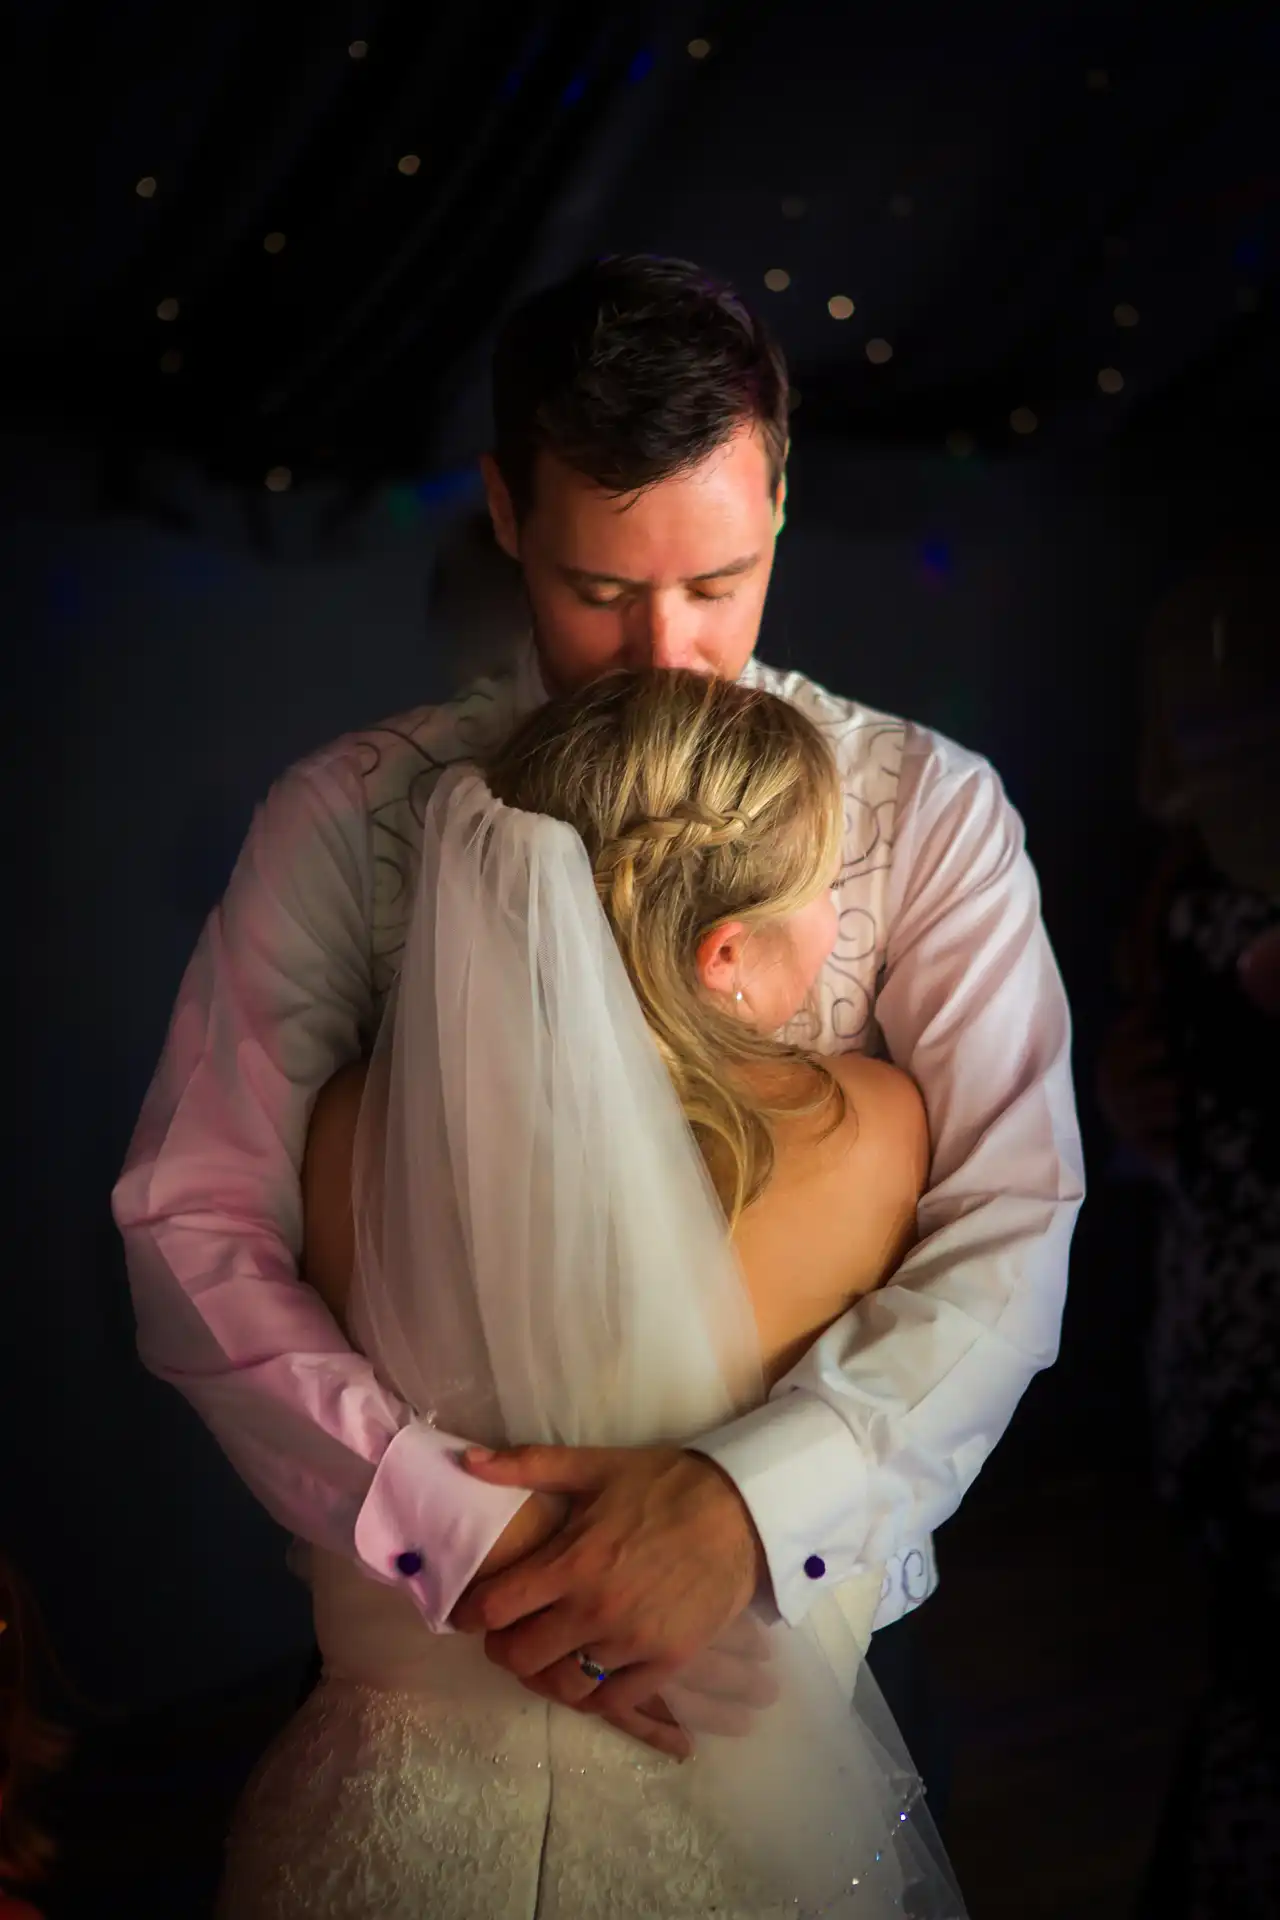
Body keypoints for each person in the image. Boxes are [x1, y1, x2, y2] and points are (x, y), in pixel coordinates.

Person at [112, 254, 1083, 1795]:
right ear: (507, 514)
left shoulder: (929, 816)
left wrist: (747, 1507)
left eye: (717, 584)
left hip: (791, 1613)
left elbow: (1012, 1222)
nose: (668, 657)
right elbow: (194, 1221)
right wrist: (459, 1528)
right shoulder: (348, 819)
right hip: (434, 1641)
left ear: (779, 503)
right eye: (603, 592)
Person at [217, 667, 966, 1915]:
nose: (837, 919)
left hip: (389, 1818)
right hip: (730, 1810)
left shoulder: (349, 1134)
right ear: (725, 957)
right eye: (822, 891)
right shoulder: (869, 1132)